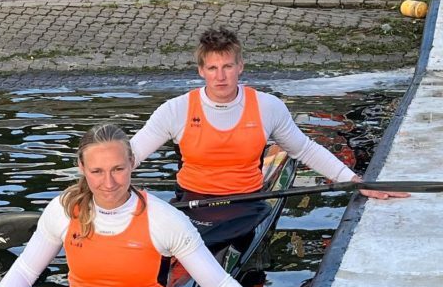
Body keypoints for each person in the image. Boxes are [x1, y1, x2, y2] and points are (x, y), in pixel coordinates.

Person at [0, 123, 308, 287]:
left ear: (132, 163)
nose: (108, 182)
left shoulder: (164, 219)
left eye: (117, 169)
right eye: (97, 171)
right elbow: (27, 268)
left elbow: (218, 285)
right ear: (82, 168)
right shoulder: (63, 210)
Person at [130, 27, 410, 207]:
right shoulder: (175, 110)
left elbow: (304, 150)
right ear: (200, 71)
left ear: (241, 67)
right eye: (212, 68)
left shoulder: (267, 107)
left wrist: (355, 181)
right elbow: (131, 155)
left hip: (248, 202)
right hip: (192, 201)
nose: (220, 76)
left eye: (228, 66)